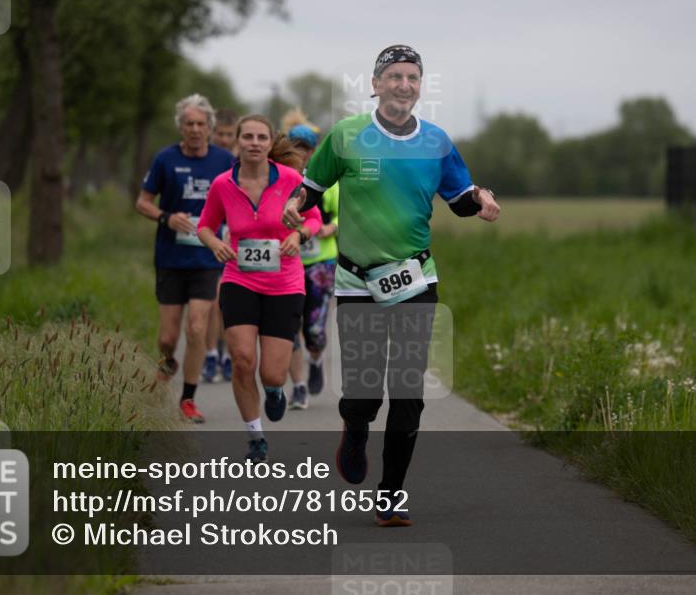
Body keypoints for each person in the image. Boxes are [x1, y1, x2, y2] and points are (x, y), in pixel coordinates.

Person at [282, 45, 500, 526]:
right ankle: (355, 427)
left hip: (416, 279)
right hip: (357, 280)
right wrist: (296, 206)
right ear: (376, 84)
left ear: (421, 87)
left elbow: (459, 196)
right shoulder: (345, 136)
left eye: (413, 78)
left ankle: (390, 494)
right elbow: (312, 190)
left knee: (408, 391)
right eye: (395, 76)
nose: (404, 85)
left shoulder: (437, 142)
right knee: (364, 393)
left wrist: (480, 198)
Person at [197, 115, 322, 463]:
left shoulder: (291, 179)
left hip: (284, 282)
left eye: (261, 137)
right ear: (238, 142)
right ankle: (255, 435)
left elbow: (314, 219)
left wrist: (298, 235)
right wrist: (214, 245)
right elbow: (205, 226)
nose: (254, 142)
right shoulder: (223, 184)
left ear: (270, 143)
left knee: (272, 372)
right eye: (247, 136)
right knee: (241, 359)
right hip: (240, 278)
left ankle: (273, 391)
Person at [136, 94, 234, 423]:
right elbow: (143, 202)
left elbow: (238, 199)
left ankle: (188, 400)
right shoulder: (165, 159)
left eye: (200, 124)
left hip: (207, 258)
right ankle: (170, 361)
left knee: (196, 328)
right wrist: (166, 217)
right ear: (181, 127)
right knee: (167, 337)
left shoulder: (223, 160)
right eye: (188, 124)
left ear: (209, 128)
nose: (195, 129)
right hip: (170, 257)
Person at [285, 123, 339, 410]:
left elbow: (347, 214)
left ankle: (315, 360)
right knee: (290, 327)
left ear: (314, 150)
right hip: (286, 263)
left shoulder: (328, 181)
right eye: (294, 146)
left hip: (320, 262)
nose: (300, 152)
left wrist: (332, 226)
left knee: (314, 331)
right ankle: (299, 386)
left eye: (305, 148)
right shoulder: (280, 178)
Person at [202, 108, 240, 383]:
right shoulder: (205, 160)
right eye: (221, 134)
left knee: (226, 302)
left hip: (232, 237)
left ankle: (226, 354)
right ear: (212, 133)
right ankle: (211, 353)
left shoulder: (237, 162)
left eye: (230, 135)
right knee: (212, 302)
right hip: (204, 236)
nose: (224, 140)